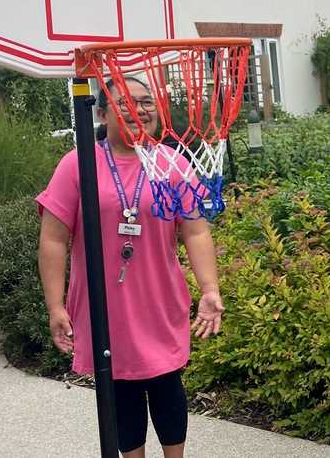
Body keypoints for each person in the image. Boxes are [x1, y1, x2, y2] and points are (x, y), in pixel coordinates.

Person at [37, 77, 224, 458]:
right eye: (126, 103)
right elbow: (54, 240)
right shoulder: (78, 164)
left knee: (167, 384)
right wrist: (55, 306)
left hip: (159, 299)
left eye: (146, 102)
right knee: (120, 389)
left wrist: (210, 289)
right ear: (102, 114)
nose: (140, 110)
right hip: (106, 305)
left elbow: (196, 232)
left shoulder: (171, 163)